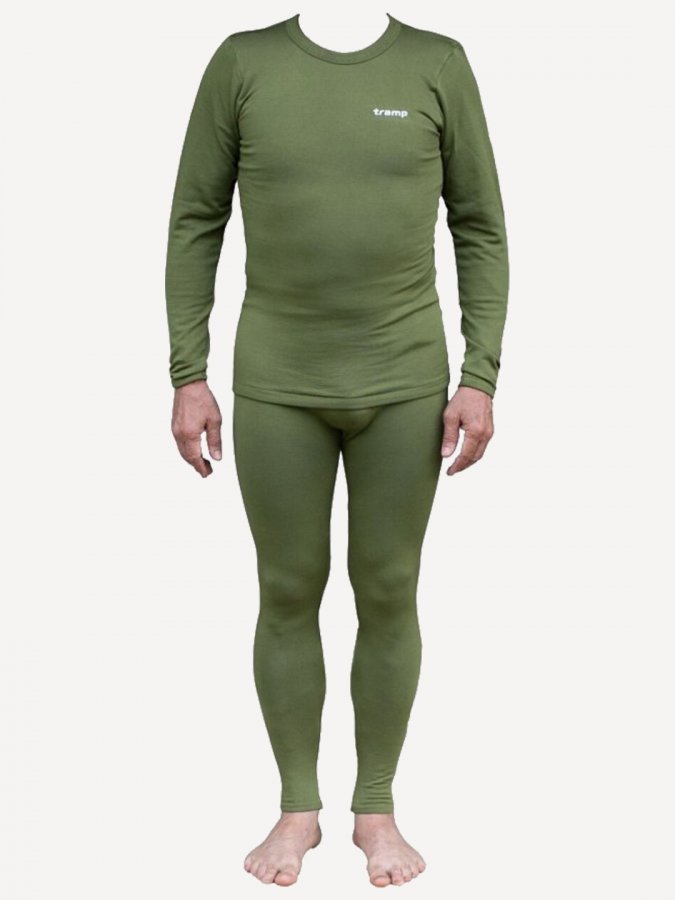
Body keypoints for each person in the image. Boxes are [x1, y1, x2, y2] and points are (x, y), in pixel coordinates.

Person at [165, 10, 509, 888]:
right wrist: (187, 372)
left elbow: (478, 223)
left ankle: (375, 808)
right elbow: (196, 218)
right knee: (286, 589)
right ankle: (296, 808)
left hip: (403, 376)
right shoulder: (242, 63)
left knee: (388, 588)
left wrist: (479, 374)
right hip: (278, 377)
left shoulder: (438, 63)